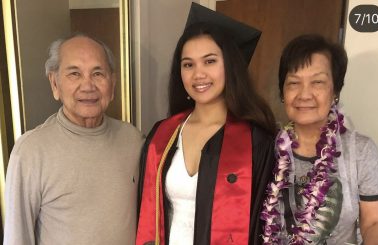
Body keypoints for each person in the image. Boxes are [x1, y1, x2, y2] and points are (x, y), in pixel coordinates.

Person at [136, 3, 276, 245]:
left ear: (229, 67)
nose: (198, 74)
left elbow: (262, 229)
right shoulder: (163, 134)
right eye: (188, 64)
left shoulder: (256, 142)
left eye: (209, 61)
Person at [3, 33, 144, 245]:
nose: (88, 86)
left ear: (113, 84)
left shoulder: (133, 140)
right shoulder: (30, 152)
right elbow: (17, 238)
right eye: (74, 74)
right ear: (55, 84)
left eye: (98, 73)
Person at [261, 34, 378, 244]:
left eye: (318, 82)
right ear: (283, 92)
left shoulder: (361, 151)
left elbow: (375, 223)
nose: (305, 94)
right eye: (294, 83)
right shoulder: (264, 146)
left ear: (335, 92)